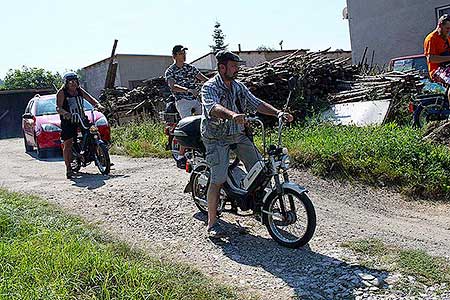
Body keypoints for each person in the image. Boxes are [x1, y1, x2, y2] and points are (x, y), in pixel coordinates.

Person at [201, 50, 293, 236]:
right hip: (216, 137)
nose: (237, 70)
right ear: (222, 67)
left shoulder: (238, 86)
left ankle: (258, 206)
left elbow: (255, 102)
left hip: (237, 134)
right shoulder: (209, 87)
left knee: (260, 168)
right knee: (218, 178)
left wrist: (278, 113)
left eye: (237, 66)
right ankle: (212, 223)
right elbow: (214, 108)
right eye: (233, 66)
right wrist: (232, 114)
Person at [165, 45, 208, 168]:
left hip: (196, 99)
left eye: (184, 53)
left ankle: (203, 148)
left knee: (206, 121)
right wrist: (188, 90)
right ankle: (180, 156)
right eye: (180, 53)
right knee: (187, 126)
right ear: (174, 56)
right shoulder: (170, 71)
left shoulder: (190, 68)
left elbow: (203, 78)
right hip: (182, 100)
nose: (183, 55)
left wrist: (212, 83)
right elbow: (173, 87)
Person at [56, 72, 104, 179]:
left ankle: (101, 156)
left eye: (75, 81)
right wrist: (65, 113)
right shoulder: (62, 93)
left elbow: (90, 99)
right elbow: (58, 108)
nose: (73, 84)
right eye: (70, 82)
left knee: (94, 132)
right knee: (68, 143)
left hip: (81, 117)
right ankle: (69, 169)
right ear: (66, 83)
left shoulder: (79, 90)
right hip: (68, 120)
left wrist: (98, 105)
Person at [424, 14, 450, 105]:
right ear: (440, 25)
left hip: (447, 68)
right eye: (447, 28)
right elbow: (431, 58)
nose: (448, 31)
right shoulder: (431, 39)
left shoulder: (447, 38)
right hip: (436, 71)